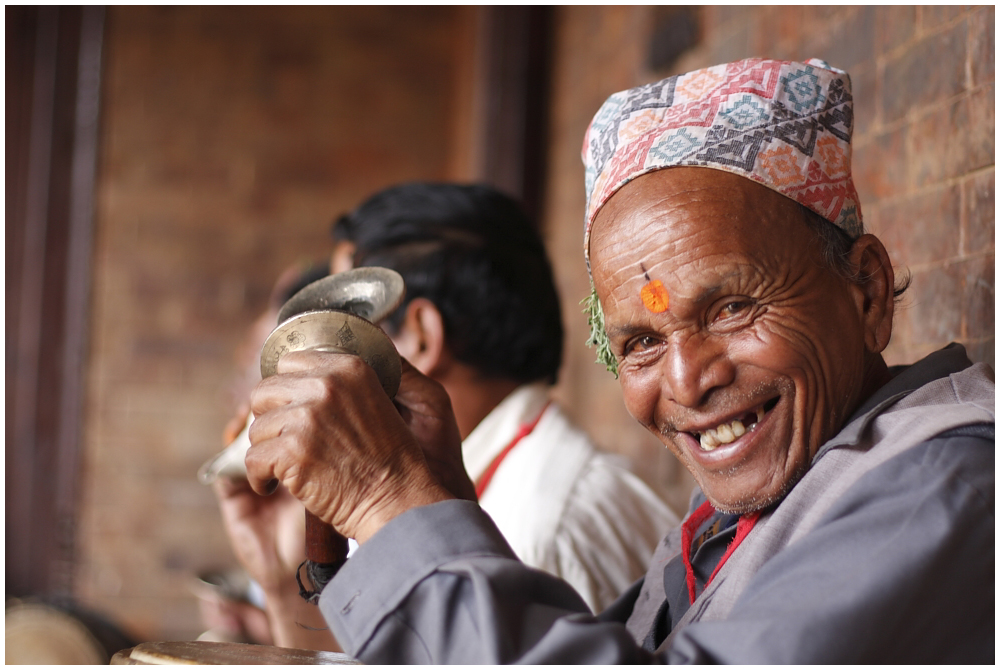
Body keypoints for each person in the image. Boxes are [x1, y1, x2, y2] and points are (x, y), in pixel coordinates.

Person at [242, 58, 994, 663]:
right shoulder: (730, 523)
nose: (689, 380)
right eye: (642, 343)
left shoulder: (950, 483)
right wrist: (436, 502)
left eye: (733, 308)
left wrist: (389, 501)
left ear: (864, 292)